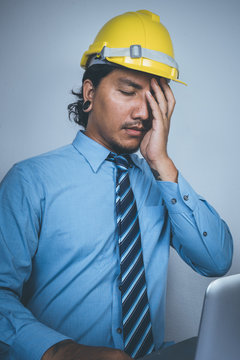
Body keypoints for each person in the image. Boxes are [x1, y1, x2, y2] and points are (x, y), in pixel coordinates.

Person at [0, 9, 233, 360]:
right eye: (128, 91)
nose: (143, 112)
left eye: (154, 98)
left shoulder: (160, 183)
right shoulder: (30, 181)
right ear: (89, 92)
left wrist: (161, 163)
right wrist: (63, 351)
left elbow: (217, 261)